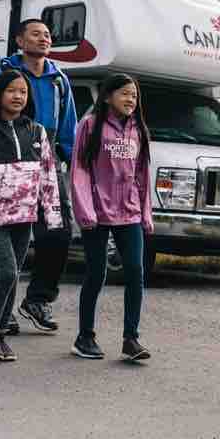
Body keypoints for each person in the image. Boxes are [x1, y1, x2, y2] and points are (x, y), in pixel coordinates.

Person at [0, 19, 77, 334]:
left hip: (46, 160)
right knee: (6, 236)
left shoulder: (59, 80)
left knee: (59, 231)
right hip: (6, 157)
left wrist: (72, 161)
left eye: (47, 34)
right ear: (20, 40)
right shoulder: (1, 75)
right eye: (36, 33)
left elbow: (68, 126)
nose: (44, 38)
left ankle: (38, 299)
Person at [0, 69, 62, 362]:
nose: (18, 96)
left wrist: (52, 215)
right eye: (11, 91)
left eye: (23, 92)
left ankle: (0, 334)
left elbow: (48, 176)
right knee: (7, 273)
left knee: (12, 276)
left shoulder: (37, 132)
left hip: (25, 218)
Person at [70, 73, 153, 362]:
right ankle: (85, 337)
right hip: (96, 211)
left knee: (135, 271)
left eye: (134, 95)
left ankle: (131, 339)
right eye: (125, 94)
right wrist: (85, 209)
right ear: (108, 97)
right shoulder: (90, 125)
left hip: (129, 212)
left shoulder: (138, 130)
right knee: (96, 273)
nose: (131, 99)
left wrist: (145, 212)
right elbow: (79, 169)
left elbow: (142, 175)